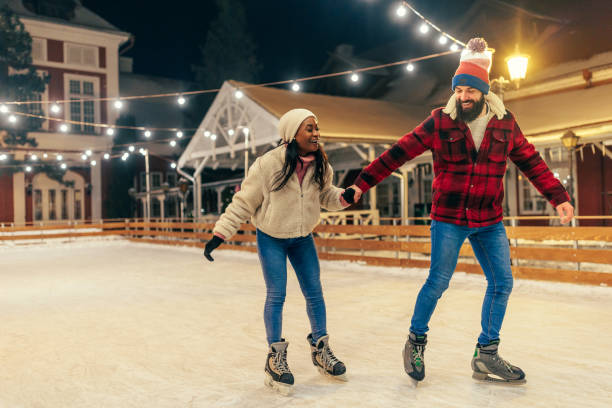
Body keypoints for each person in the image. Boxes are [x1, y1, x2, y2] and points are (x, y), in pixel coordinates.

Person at [344, 38, 574, 385]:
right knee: (438, 281)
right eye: (459, 90)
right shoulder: (440, 121)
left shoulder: (505, 123)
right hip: (448, 218)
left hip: (489, 219)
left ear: (484, 91)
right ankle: (416, 342)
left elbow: (532, 162)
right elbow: (399, 152)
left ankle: (487, 355)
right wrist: (361, 183)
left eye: (470, 91)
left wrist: (558, 197)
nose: (463, 97)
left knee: (502, 283)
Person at [203, 108, 350, 395]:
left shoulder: (321, 164)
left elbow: (327, 196)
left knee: (314, 292)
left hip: (302, 237)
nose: (316, 133)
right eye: (309, 128)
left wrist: (345, 196)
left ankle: (321, 349)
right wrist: (219, 234)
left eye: (317, 127)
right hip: (271, 237)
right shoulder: (268, 165)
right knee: (277, 294)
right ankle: (275, 358)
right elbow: (243, 203)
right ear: (291, 133)